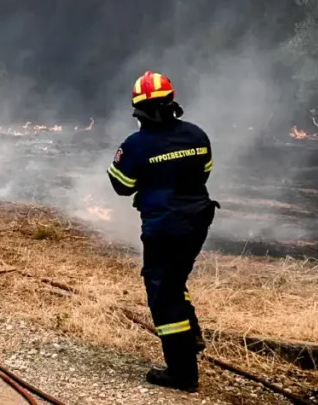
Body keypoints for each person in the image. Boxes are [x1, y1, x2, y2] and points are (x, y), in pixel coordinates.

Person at [107, 71, 217, 393]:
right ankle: (191, 332)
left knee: (163, 294)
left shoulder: (136, 145)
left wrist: (150, 176)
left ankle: (182, 373)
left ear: (139, 111)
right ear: (172, 103)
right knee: (176, 279)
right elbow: (204, 172)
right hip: (197, 222)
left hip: (164, 228)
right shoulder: (197, 135)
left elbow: (121, 186)